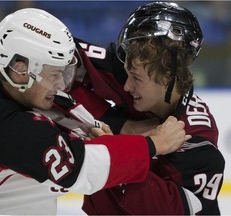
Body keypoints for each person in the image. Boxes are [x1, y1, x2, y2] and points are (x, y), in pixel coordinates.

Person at [0, 8, 190, 215]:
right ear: (20, 70)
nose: (61, 84)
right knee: (45, 178)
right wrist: (153, 143)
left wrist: (90, 123)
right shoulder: (7, 128)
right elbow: (83, 168)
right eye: (54, 74)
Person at [82, 2, 225, 215]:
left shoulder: (197, 141)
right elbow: (60, 57)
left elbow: (159, 210)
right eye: (127, 73)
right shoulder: (134, 70)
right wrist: (120, 124)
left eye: (136, 78)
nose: (126, 86)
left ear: (168, 77)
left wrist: (113, 151)